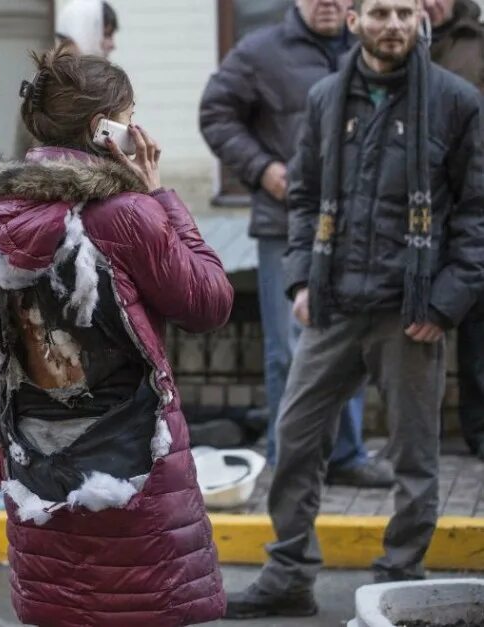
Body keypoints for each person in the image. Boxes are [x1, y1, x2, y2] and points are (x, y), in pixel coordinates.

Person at [0, 47, 232, 627]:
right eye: (129, 116)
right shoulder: (126, 214)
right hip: (132, 459)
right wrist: (161, 198)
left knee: (67, 602)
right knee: (137, 603)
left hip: (36, 458)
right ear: (102, 130)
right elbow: (209, 303)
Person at [225, 0, 484, 618]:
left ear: (418, 19)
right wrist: (300, 282)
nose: (391, 23)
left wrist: (447, 301)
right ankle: (288, 574)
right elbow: (305, 196)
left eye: (402, 11)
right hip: (333, 303)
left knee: (415, 460)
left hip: (412, 308)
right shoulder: (325, 98)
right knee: (294, 440)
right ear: (355, 21)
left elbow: (476, 213)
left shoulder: (455, 100)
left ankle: (401, 578)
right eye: (378, 11)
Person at [199, 0, 395, 488]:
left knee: (350, 344)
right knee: (289, 348)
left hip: (355, 226)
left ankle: (346, 456)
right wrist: (262, 170)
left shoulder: (368, 46)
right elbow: (215, 112)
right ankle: (295, 460)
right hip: (284, 225)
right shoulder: (259, 51)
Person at [424, 0, 484, 461]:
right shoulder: (401, 43)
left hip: (473, 199)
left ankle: (478, 432)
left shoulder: (477, 43)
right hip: (417, 209)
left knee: (478, 331)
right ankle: (422, 437)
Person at [13, 0, 118, 158]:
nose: (112, 44)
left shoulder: (53, 77)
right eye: (107, 34)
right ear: (85, 30)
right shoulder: (57, 84)